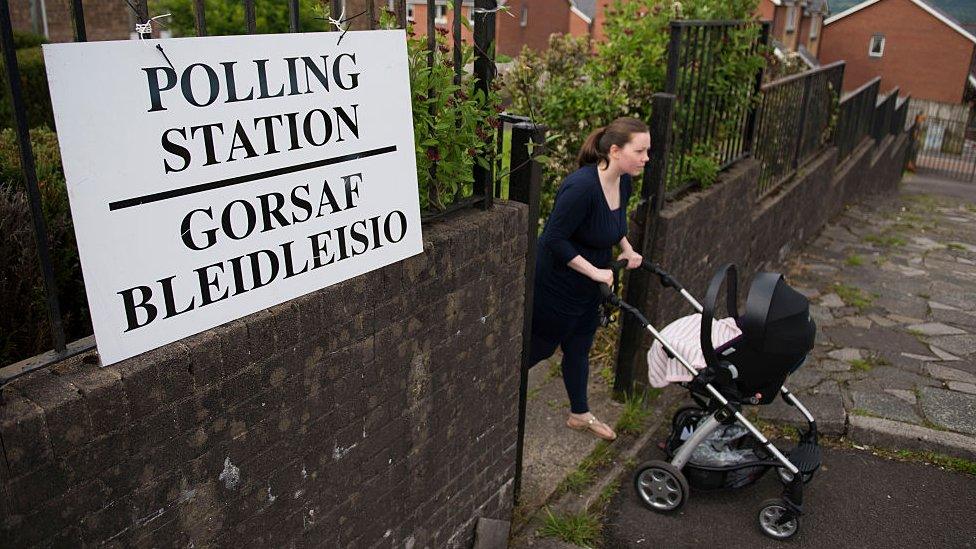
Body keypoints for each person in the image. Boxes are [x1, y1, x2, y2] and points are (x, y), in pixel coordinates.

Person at [530, 117, 650, 441]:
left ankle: (579, 414)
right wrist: (596, 271)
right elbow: (552, 239)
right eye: (640, 151)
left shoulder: (623, 180)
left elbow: (615, 222)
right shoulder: (581, 188)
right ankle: (493, 397)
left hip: (590, 288)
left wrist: (627, 248)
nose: (645, 158)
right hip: (558, 287)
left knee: (579, 347)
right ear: (614, 150)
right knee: (538, 350)